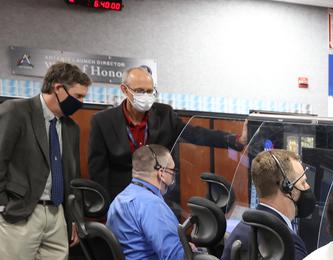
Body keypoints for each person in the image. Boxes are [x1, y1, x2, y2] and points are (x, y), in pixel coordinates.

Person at [0, 61, 89, 260]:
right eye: (77, 95)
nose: (81, 101)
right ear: (57, 88)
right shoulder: (17, 112)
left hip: (57, 215)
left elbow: (73, 176)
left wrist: (74, 218)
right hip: (21, 212)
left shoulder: (71, 128)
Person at [88, 67, 248, 204]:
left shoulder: (165, 114)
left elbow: (196, 134)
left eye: (150, 91)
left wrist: (235, 140)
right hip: (122, 199)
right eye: (139, 91)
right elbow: (98, 170)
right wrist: (106, 207)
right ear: (124, 90)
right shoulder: (102, 121)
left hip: (158, 195)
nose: (145, 95)